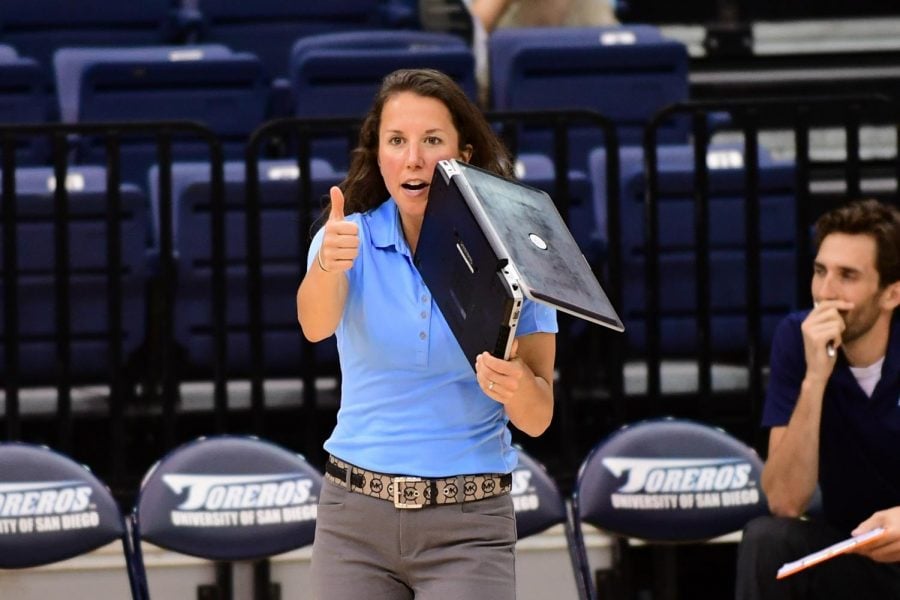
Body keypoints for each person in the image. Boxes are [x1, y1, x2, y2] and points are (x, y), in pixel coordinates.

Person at [296, 68, 557, 599]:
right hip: (354, 519)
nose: (413, 158)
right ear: (379, 154)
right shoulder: (346, 238)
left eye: (431, 141)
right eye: (397, 141)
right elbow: (314, 326)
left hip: (469, 524)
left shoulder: (517, 253)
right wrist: (327, 266)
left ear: (463, 152)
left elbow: (538, 418)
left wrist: (515, 386)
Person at [735, 199, 900, 599]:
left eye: (847, 276)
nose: (825, 292)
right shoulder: (797, 338)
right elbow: (785, 501)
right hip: (854, 548)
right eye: (820, 271)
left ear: (891, 294)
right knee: (768, 541)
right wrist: (815, 379)